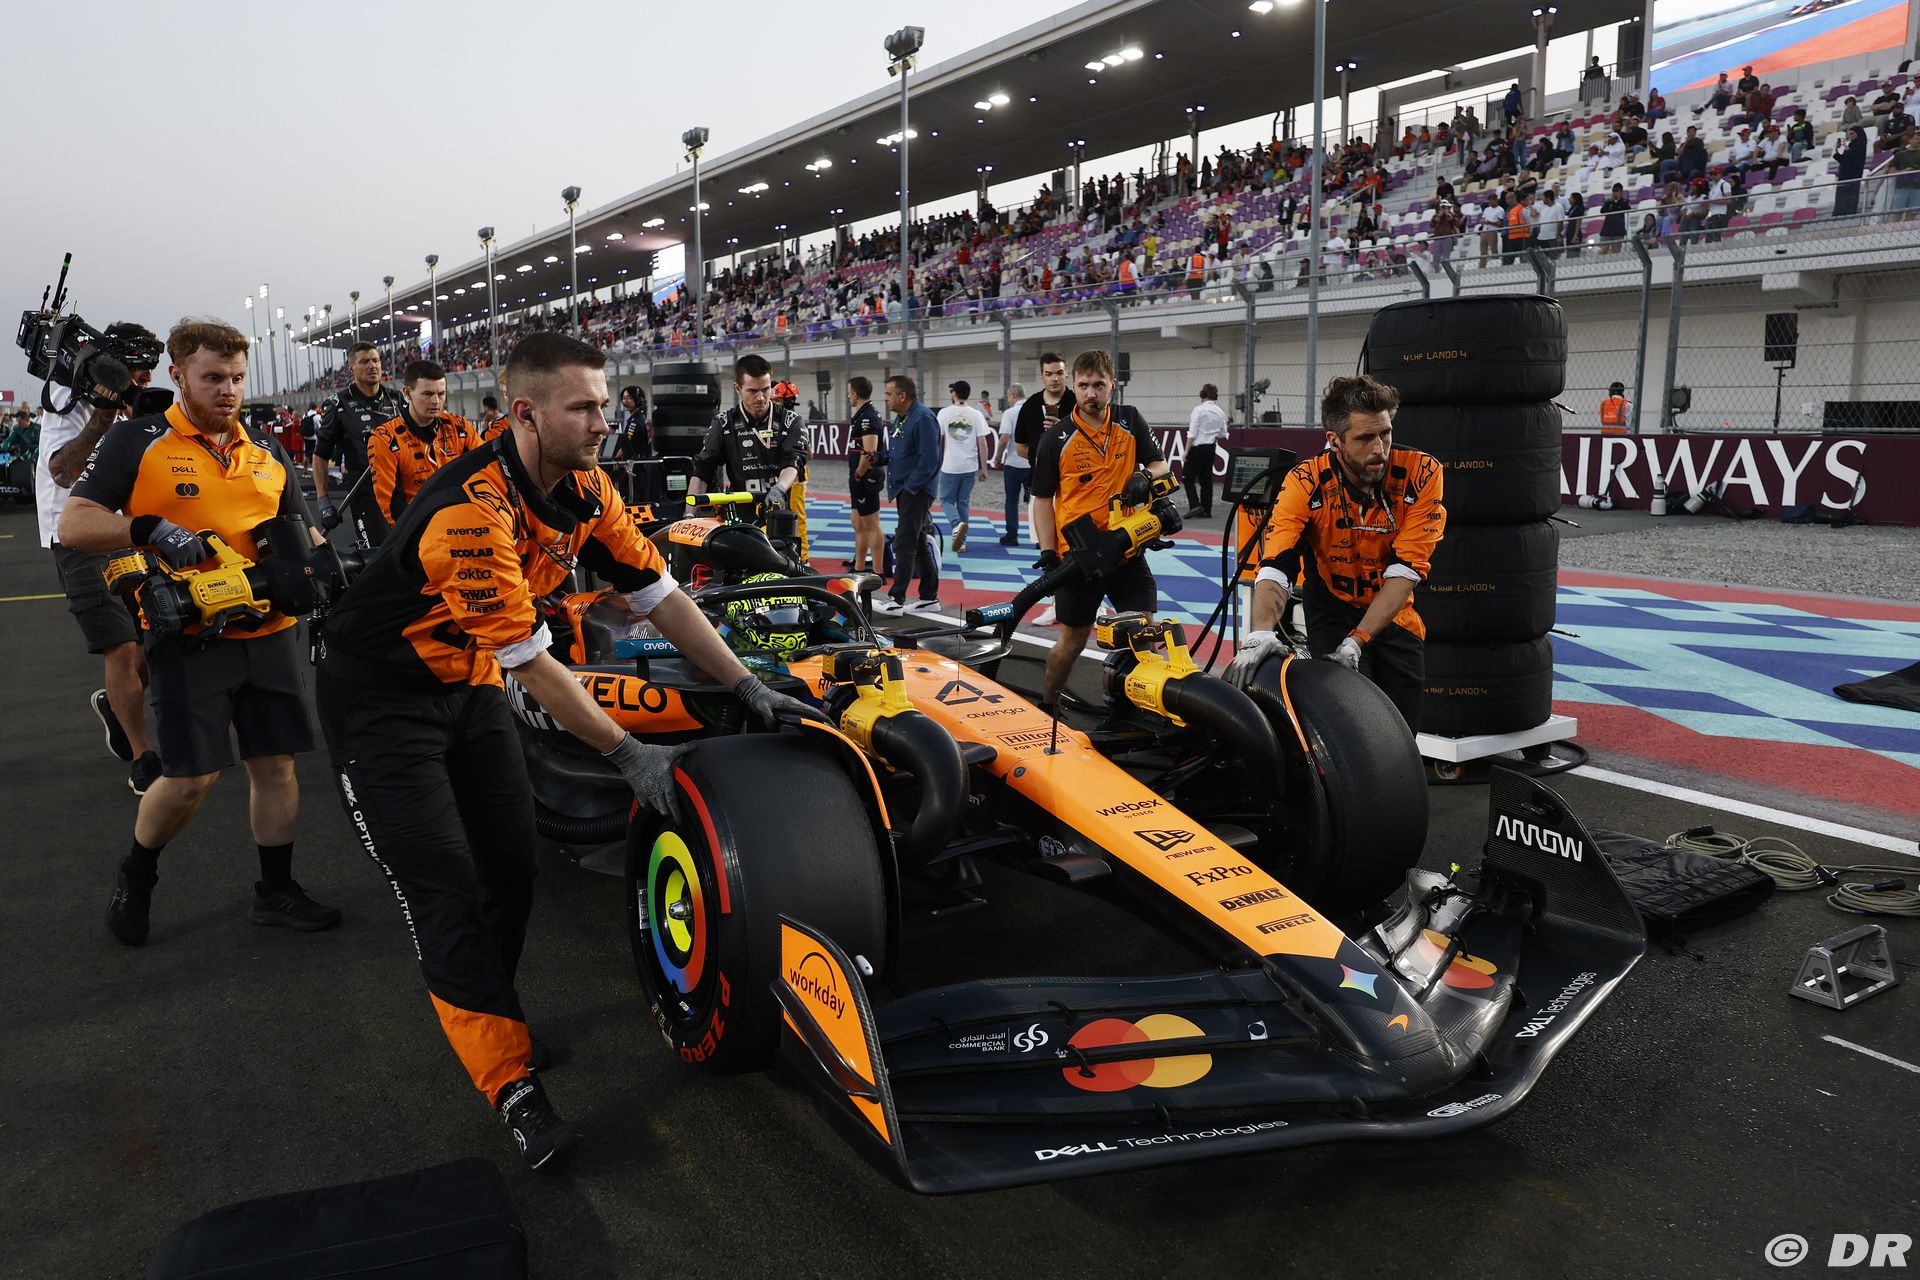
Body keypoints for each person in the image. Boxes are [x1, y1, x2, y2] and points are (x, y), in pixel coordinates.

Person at [314, 331, 820, 1170]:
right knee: (443, 889)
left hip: (469, 681)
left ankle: (495, 1017)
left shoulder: (587, 488)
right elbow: (536, 665)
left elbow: (660, 596)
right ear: (525, 413)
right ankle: (511, 1086)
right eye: (583, 407)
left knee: (511, 871)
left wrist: (744, 684)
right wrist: (629, 754)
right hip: (379, 703)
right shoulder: (470, 510)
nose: (603, 421)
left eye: (604, 402)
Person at [58, 318, 338, 946]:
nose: (228, 390)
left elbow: (305, 533)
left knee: (276, 767)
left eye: (237, 377)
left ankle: (276, 890)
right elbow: (74, 523)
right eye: (213, 377)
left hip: (269, 632)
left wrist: (331, 572)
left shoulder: (266, 450)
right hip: (188, 636)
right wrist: (147, 528)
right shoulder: (138, 439)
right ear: (178, 375)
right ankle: (137, 872)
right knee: (189, 780)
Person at [1225, 375, 1446, 732]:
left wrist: (1358, 640)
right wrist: (1261, 632)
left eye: (1385, 433)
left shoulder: (1422, 472)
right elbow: (1277, 564)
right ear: (1334, 440)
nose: (1379, 448)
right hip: (1331, 609)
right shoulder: (1304, 481)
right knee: (1348, 730)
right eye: (1364, 438)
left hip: (1395, 614)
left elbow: (1407, 568)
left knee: (1401, 732)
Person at [38, 323, 164, 794]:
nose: (145, 379)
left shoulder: (139, 402)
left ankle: (116, 703)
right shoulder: (69, 396)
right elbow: (63, 471)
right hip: (77, 532)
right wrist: (103, 416)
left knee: (155, 639)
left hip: (126, 528)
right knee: (122, 645)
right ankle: (143, 756)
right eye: (138, 369)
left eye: (150, 369)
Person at [1027, 349, 1170, 706]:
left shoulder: (1130, 420)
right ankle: (1049, 703)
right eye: (1084, 386)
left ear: (1113, 385)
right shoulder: (1055, 439)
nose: (1091, 393)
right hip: (1079, 557)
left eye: (1099, 385)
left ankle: (1138, 707)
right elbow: (1042, 499)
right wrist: (1048, 552)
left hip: (1126, 549)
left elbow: (1160, 466)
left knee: (1142, 633)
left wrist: (1144, 477)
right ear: (1074, 387)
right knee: (1073, 641)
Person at [688, 353, 808, 540]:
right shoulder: (723, 423)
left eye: (766, 389)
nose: (761, 397)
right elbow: (702, 471)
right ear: (738, 388)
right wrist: (688, 516)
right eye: (752, 391)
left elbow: (793, 461)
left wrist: (779, 488)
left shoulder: (790, 420)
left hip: (779, 515)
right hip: (740, 518)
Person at [313, 342, 407, 547]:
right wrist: (323, 502)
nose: (372, 366)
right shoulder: (337, 404)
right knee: (378, 553)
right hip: (365, 494)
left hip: (402, 491)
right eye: (364, 362)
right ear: (351, 368)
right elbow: (320, 455)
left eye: (376, 361)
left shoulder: (397, 399)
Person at [366, 360, 481, 529]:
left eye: (441, 394)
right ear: (407, 393)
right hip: (418, 530)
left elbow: (487, 473)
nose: (436, 401)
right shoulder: (384, 438)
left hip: (466, 523)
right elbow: (391, 506)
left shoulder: (460, 427)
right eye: (427, 394)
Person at [875, 375, 941, 616]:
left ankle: (896, 598)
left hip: (916, 491)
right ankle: (929, 597)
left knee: (904, 542)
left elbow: (930, 460)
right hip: (906, 489)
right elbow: (900, 452)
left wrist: (911, 487)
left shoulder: (923, 418)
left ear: (902, 396)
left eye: (888, 394)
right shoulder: (902, 418)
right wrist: (879, 458)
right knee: (919, 542)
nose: (886, 399)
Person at [934, 380, 993, 554]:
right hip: (970, 466)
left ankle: (956, 524)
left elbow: (937, 439)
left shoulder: (944, 413)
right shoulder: (976, 414)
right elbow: (983, 443)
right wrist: (984, 468)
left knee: (946, 500)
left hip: (950, 466)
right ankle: (962, 543)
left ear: (954, 394)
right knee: (963, 503)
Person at [845, 375, 886, 574]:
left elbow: (870, 452)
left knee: (871, 524)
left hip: (865, 477)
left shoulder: (868, 417)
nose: (848, 396)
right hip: (857, 477)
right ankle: (859, 568)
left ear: (855, 394)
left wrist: (859, 475)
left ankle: (878, 572)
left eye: (849, 393)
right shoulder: (862, 415)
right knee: (858, 523)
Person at [1184, 383, 1228, 518]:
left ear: (1202, 395)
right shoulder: (1220, 412)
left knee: (1187, 477)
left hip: (1198, 448)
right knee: (1206, 479)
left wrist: (1186, 451)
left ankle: (1195, 505)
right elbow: (1223, 434)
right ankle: (1206, 510)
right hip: (1210, 447)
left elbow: (1192, 433)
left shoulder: (1198, 410)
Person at [997, 382, 1029, 546]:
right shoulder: (1037, 411)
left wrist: (997, 456)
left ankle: (1012, 535)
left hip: (1013, 463)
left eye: (1008, 397)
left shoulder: (1009, 413)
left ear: (1012, 395)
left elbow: (1004, 438)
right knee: (1036, 502)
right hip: (1033, 464)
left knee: (1011, 500)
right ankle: (1040, 538)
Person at [1833, 125, 1869, 218]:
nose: (1850, 136)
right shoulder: (1851, 145)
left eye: (1852, 133)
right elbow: (1844, 160)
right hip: (1844, 174)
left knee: (1850, 197)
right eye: (1849, 134)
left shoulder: (1861, 144)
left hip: (1853, 175)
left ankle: (1850, 214)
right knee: (1841, 197)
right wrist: (1837, 150)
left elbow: (1854, 157)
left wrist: (1847, 148)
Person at [1598, 182, 1630, 253]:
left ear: (1621, 192)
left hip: (1618, 231)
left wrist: (1619, 200)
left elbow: (1627, 209)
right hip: (1607, 230)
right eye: (1614, 191)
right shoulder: (1608, 202)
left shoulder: (1624, 202)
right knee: (1602, 251)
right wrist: (1611, 201)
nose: (1615, 193)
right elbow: (1602, 211)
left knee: (1616, 252)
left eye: (1617, 191)